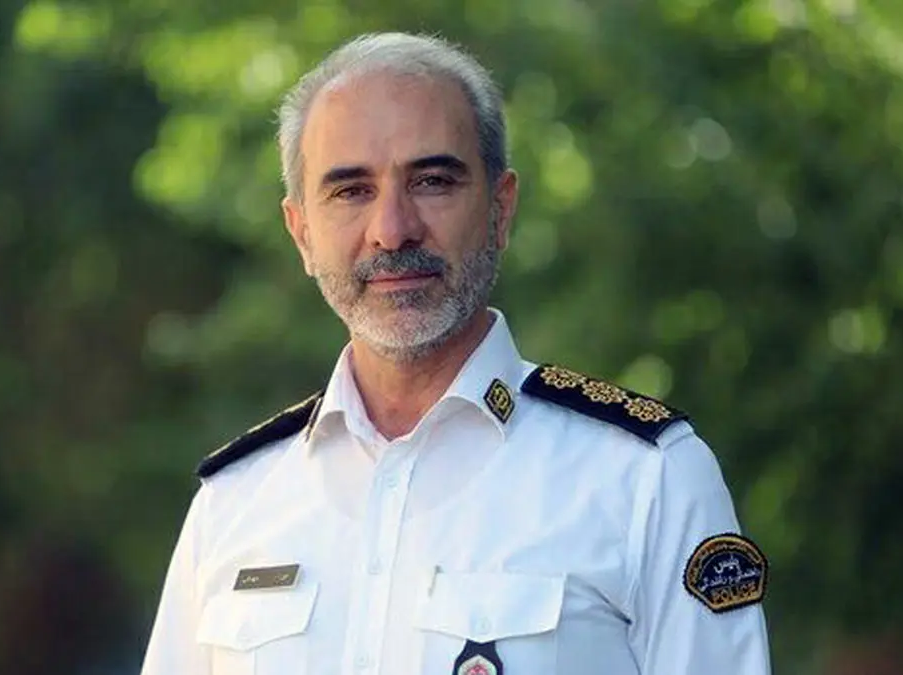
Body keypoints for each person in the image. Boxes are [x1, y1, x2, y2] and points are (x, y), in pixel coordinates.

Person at [139, 31, 772, 675]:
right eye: (351, 191)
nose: (393, 230)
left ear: (500, 210)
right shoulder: (234, 504)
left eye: (433, 181)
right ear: (301, 232)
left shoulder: (646, 480)